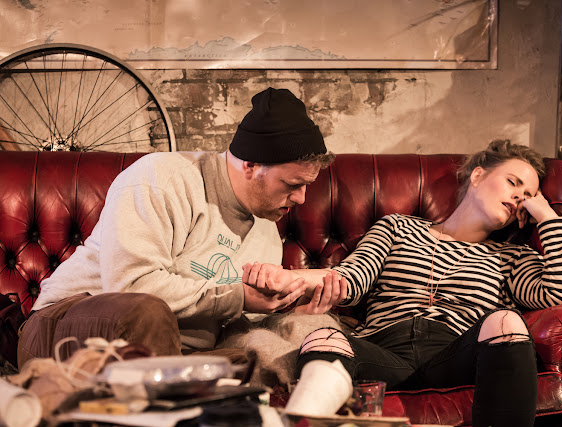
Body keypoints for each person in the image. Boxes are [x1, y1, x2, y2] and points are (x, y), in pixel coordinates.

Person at [243, 140, 562, 427]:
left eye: (529, 195)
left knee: (507, 321)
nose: (520, 197)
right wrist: (289, 278)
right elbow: (352, 277)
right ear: (478, 175)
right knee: (324, 337)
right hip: (381, 350)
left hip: (455, 357)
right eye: (513, 182)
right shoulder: (398, 228)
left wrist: (547, 218)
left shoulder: (512, 257)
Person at [17, 87, 346, 369]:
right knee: (147, 311)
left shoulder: (266, 230)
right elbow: (131, 286)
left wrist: (289, 312)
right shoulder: (162, 178)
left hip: (175, 349)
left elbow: (236, 319)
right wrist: (236, 297)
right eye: (292, 184)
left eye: (306, 186)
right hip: (65, 326)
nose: (301, 198)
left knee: (265, 351)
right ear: (251, 165)